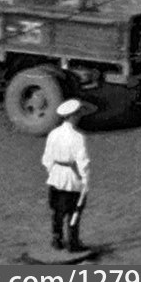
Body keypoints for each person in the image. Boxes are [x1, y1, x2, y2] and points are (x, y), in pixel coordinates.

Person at [41, 96, 91, 253]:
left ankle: (57, 240)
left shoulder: (53, 134)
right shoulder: (77, 137)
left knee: (57, 211)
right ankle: (73, 243)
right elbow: (83, 161)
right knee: (73, 211)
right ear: (73, 116)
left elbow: (47, 158)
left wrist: (53, 173)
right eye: (77, 115)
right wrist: (85, 180)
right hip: (70, 178)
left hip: (56, 176)